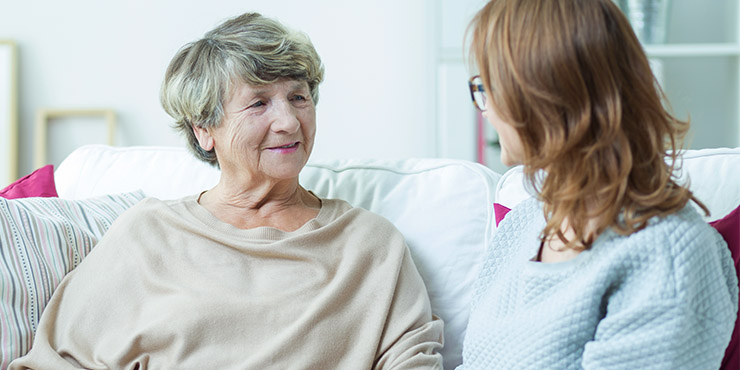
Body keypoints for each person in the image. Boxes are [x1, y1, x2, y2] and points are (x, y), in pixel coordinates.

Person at [10, 13, 443, 370]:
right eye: (259, 103)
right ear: (204, 130)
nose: (289, 122)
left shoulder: (371, 245)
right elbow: (53, 361)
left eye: (298, 97)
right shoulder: (148, 233)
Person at [459, 0, 738, 369]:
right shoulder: (522, 224)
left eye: (487, 86)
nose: (486, 107)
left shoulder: (669, 256)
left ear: (541, 95)